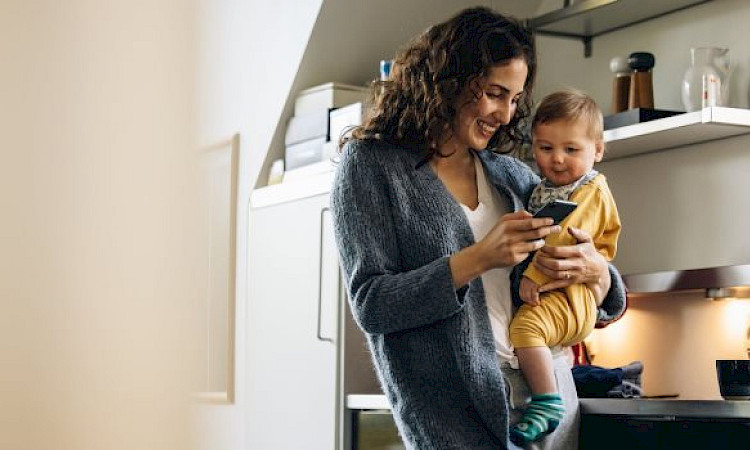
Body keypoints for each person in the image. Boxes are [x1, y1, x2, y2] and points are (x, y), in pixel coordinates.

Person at [331, 7, 626, 449]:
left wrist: (597, 272)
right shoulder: (371, 167)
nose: (507, 114)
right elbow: (372, 304)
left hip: (550, 408)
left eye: (514, 98)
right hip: (454, 422)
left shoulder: (513, 176)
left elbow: (605, 300)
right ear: (448, 81)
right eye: (493, 93)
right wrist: (476, 259)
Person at [508, 89, 622, 445]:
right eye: (545, 148)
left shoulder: (590, 190)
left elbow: (562, 240)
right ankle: (546, 399)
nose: (557, 159)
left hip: (569, 294)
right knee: (526, 330)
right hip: (566, 293)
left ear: (597, 150)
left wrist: (532, 277)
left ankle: (546, 402)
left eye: (571, 150)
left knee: (526, 330)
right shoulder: (544, 187)